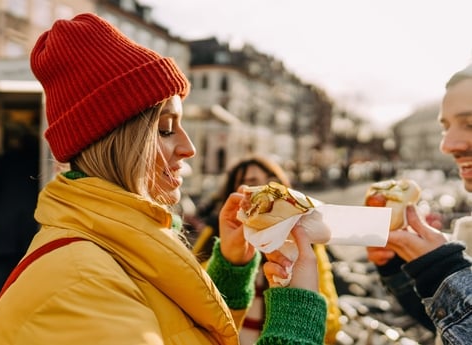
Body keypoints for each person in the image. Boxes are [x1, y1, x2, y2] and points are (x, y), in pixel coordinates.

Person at [0, 13, 328, 344]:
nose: (188, 147)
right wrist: (296, 315)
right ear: (116, 142)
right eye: (165, 129)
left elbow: (177, 332)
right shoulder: (81, 283)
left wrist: (233, 269)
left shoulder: (118, 246)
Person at [367, 63, 472, 345]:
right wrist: (402, 265)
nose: (447, 145)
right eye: (445, 127)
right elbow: (447, 328)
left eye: (470, 123)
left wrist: (442, 269)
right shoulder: (468, 229)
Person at [193, 155, 341, 345]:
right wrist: (230, 263)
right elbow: (196, 300)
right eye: (252, 184)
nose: (266, 190)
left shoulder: (304, 241)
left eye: (273, 182)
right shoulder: (217, 233)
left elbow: (331, 322)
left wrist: (299, 303)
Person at [0, 123, 40, 307]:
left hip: (3, 231)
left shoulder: (3, 161)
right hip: (32, 229)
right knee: (26, 287)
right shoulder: (38, 163)